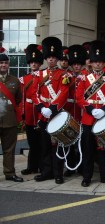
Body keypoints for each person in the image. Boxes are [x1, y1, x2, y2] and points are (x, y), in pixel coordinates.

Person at [75, 40, 105, 187]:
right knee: (88, 149)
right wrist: (91, 109)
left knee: (103, 149)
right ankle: (87, 177)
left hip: (103, 117)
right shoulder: (84, 79)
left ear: (104, 63)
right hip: (88, 117)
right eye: (95, 61)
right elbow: (79, 97)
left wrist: (104, 109)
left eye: (100, 61)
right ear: (90, 63)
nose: (98, 64)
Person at [31, 36, 70, 184]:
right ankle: (46, 172)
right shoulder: (39, 74)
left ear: (58, 58)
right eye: (49, 57)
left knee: (57, 145)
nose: (51, 60)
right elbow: (34, 94)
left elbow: (64, 93)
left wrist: (52, 108)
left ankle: (58, 173)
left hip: (57, 114)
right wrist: (42, 108)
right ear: (46, 58)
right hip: (44, 114)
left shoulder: (64, 75)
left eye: (54, 57)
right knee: (45, 145)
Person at [60, 44, 88, 177]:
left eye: (79, 64)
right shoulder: (67, 76)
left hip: (83, 112)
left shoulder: (87, 76)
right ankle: (70, 166)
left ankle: (82, 167)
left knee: (82, 142)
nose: (77, 66)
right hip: (70, 111)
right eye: (74, 64)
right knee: (69, 140)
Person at [0, 47, 23, 182]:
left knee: (9, 149)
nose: (3, 65)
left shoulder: (15, 80)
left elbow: (19, 100)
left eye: (6, 63)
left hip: (9, 120)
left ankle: (9, 173)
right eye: (1, 63)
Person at [20, 44, 43, 175]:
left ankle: (41, 166)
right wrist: (22, 114)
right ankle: (32, 166)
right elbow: (22, 98)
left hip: (40, 112)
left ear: (40, 64)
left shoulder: (43, 76)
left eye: (36, 62)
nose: (34, 64)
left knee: (41, 142)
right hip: (29, 114)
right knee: (32, 142)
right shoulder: (24, 79)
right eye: (32, 62)